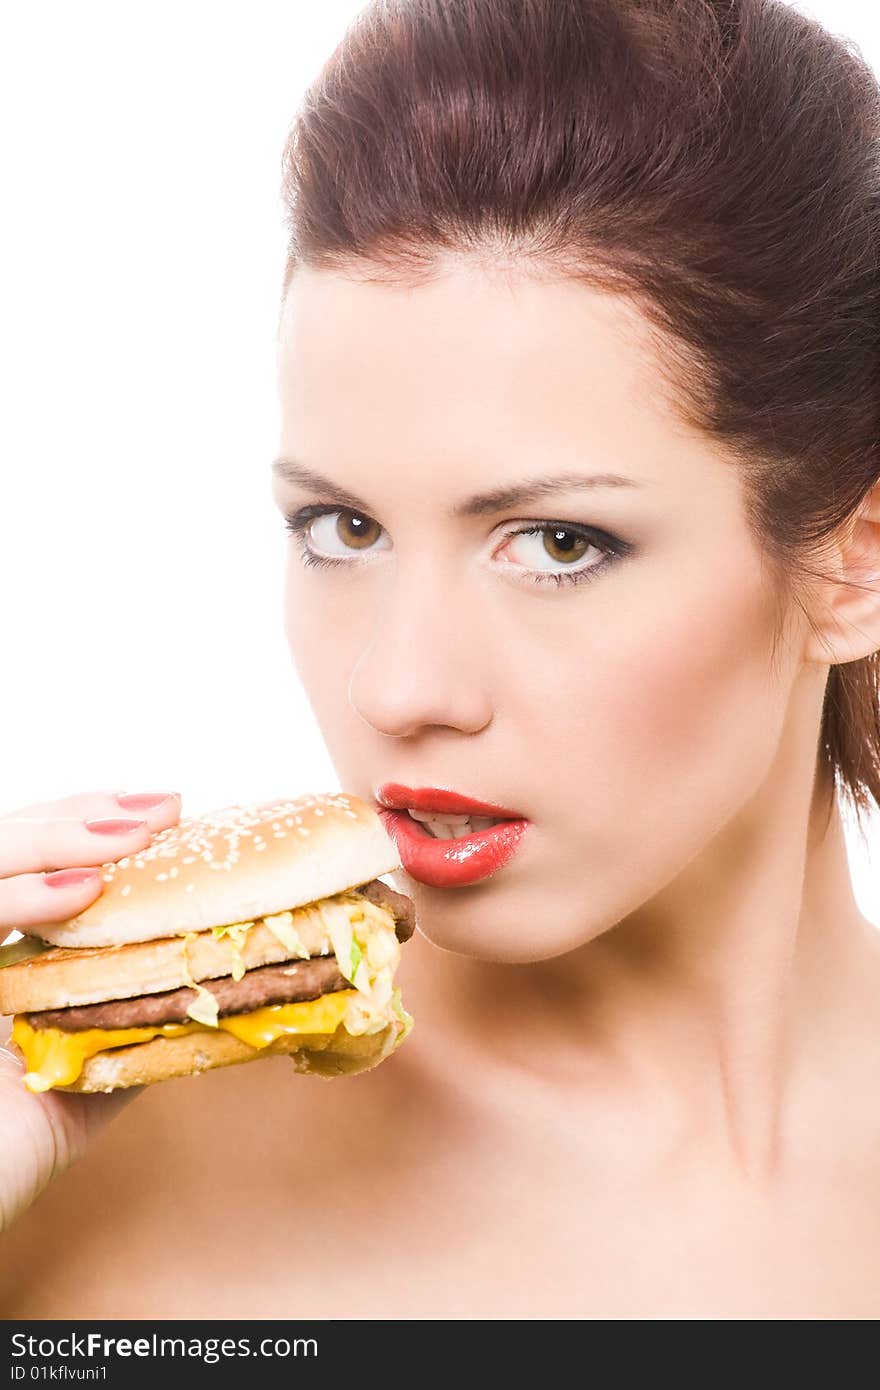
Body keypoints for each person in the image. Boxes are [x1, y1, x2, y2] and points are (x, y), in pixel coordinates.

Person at [1, 0, 879, 1318]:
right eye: (341, 528)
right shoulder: (87, 1162)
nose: (400, 690)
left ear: (851, 562)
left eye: (559, 542)